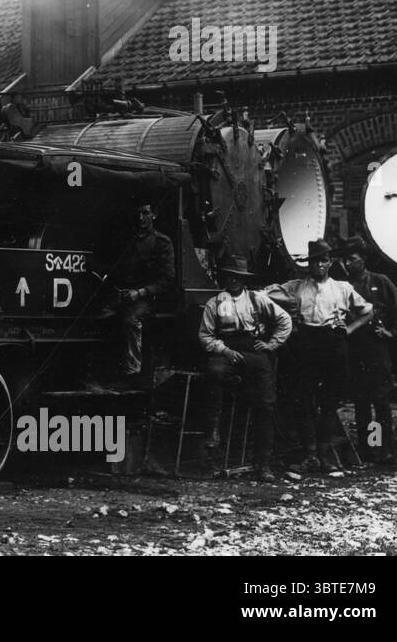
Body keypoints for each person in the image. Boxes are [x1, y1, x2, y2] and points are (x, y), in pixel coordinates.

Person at [273, 239, 374, 472]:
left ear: (330, 263)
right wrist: (291, 313)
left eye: (324, 260)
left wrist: (349, 329)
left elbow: (367, 311)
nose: (319, 265)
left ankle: (325, 453)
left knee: (329, 401)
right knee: (303, 397)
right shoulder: (297, 286)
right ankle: (309, 455)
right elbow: (267, 294)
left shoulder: (342, 288)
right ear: (309, 264)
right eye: (315, 261)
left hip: (333, 343)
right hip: (306, 343)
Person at [197, 255, 293, 481]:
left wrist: (271, 343)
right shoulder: (216, 303)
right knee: (215, 372)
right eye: (230, 276)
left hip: (252, 348)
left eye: (238, 277)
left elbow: (284, 320)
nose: (233, 281)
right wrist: (225, 351)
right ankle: (213, 433)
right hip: (227, 349)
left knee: (266, 402)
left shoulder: (256, 298)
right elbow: (205, 335)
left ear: (243, 279)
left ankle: (263, 464)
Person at [337, 235, 397, 464]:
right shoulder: (343, 286)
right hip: (353, 349)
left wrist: (392, 332)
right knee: (360, 402)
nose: (348, 264)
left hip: (376, 349)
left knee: (380, 400)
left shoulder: (380, 281)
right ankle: (367, 449)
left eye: (352, 259)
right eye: (345, 260)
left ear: (363, 260)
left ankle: (383, 448)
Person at [106, 200, 175, 385]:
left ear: (154, 215)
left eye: (145, 213)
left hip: (148, 298)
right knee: (103, 316)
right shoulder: (129, 239)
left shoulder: (162, 242)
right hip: (125, 293)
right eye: (138, 214)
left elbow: (167, 280)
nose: (141, 218)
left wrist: (140, 293)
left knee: (131, 320)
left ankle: (133, 371)